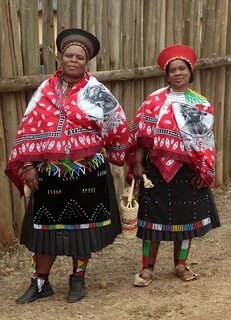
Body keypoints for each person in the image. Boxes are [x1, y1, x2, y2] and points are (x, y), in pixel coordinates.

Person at [5, 28, 128, 303]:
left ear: (87, 62)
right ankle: (40, 282)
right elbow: (28, 129)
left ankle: (77, 279)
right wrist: (27, 165)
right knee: (44, 229)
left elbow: (117, 125)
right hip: (49, 173)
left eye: (80, 57)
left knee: (83, 229)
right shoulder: (44, 91)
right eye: (69, 55)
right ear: (60, 58)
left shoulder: (97, 92)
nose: (73, 60)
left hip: (88, 172)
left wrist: (116, 153)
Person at [126, 44, 220, 287]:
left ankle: (181, 264)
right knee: (151, 221)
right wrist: (138, 164)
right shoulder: (154, 101)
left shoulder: (201, 104)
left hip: (187, 169)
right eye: (173, 70)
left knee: (186, 219)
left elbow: (204, 141)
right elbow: (141, 137)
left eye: (182, 68)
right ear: (166, 74)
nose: (178, 73)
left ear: (190, 71)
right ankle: (147, 267)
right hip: (155, 169)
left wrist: (204, 168)